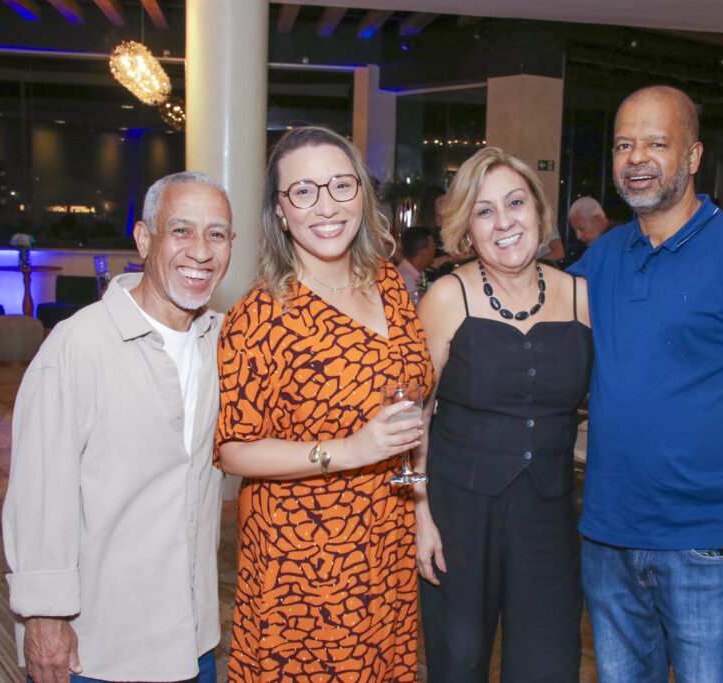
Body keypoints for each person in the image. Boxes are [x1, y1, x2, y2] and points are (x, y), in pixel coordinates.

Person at [568, 85, 723, 681]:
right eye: (623, 145)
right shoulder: (603, 256)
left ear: (694, 155)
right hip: (608, 535)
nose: (636, 158)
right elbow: (529, 317)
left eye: (657, 143)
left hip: (708, 543)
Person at [215, 125, 434, 681]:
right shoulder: (260, 316)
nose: (327, 206)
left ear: (361, 192)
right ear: (279, 210)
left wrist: (421, 510)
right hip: (306, 558)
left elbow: (411, 413)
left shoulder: (389, 284)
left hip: (386, 537)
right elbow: (234, 449)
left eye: (340, 185)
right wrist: (349, 449)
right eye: (303, 191)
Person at [2, 172, 234, 683]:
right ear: (144, 239)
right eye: (181, 230)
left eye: (217, 234)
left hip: (194, 637)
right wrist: (44, 617)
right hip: (101, 647)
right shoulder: (78, 346)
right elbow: (40, 494)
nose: (201, 251)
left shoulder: (225, 344)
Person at [414, 147, 592, 681]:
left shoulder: (583, 297)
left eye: (515, 203)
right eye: (484, 211)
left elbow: (626, 388)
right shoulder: (447, 298)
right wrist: (420, 515)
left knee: (548, 665)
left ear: (538, 210)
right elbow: (415, 416)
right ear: (467, 229)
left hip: (550, 519)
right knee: (459, 662)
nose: (504, 222)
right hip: (458, 516)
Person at [397, 225, 435, 299]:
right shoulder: (406, 279)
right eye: (433, 245)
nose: (434, 249)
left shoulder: (418, 274)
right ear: (423, 251)